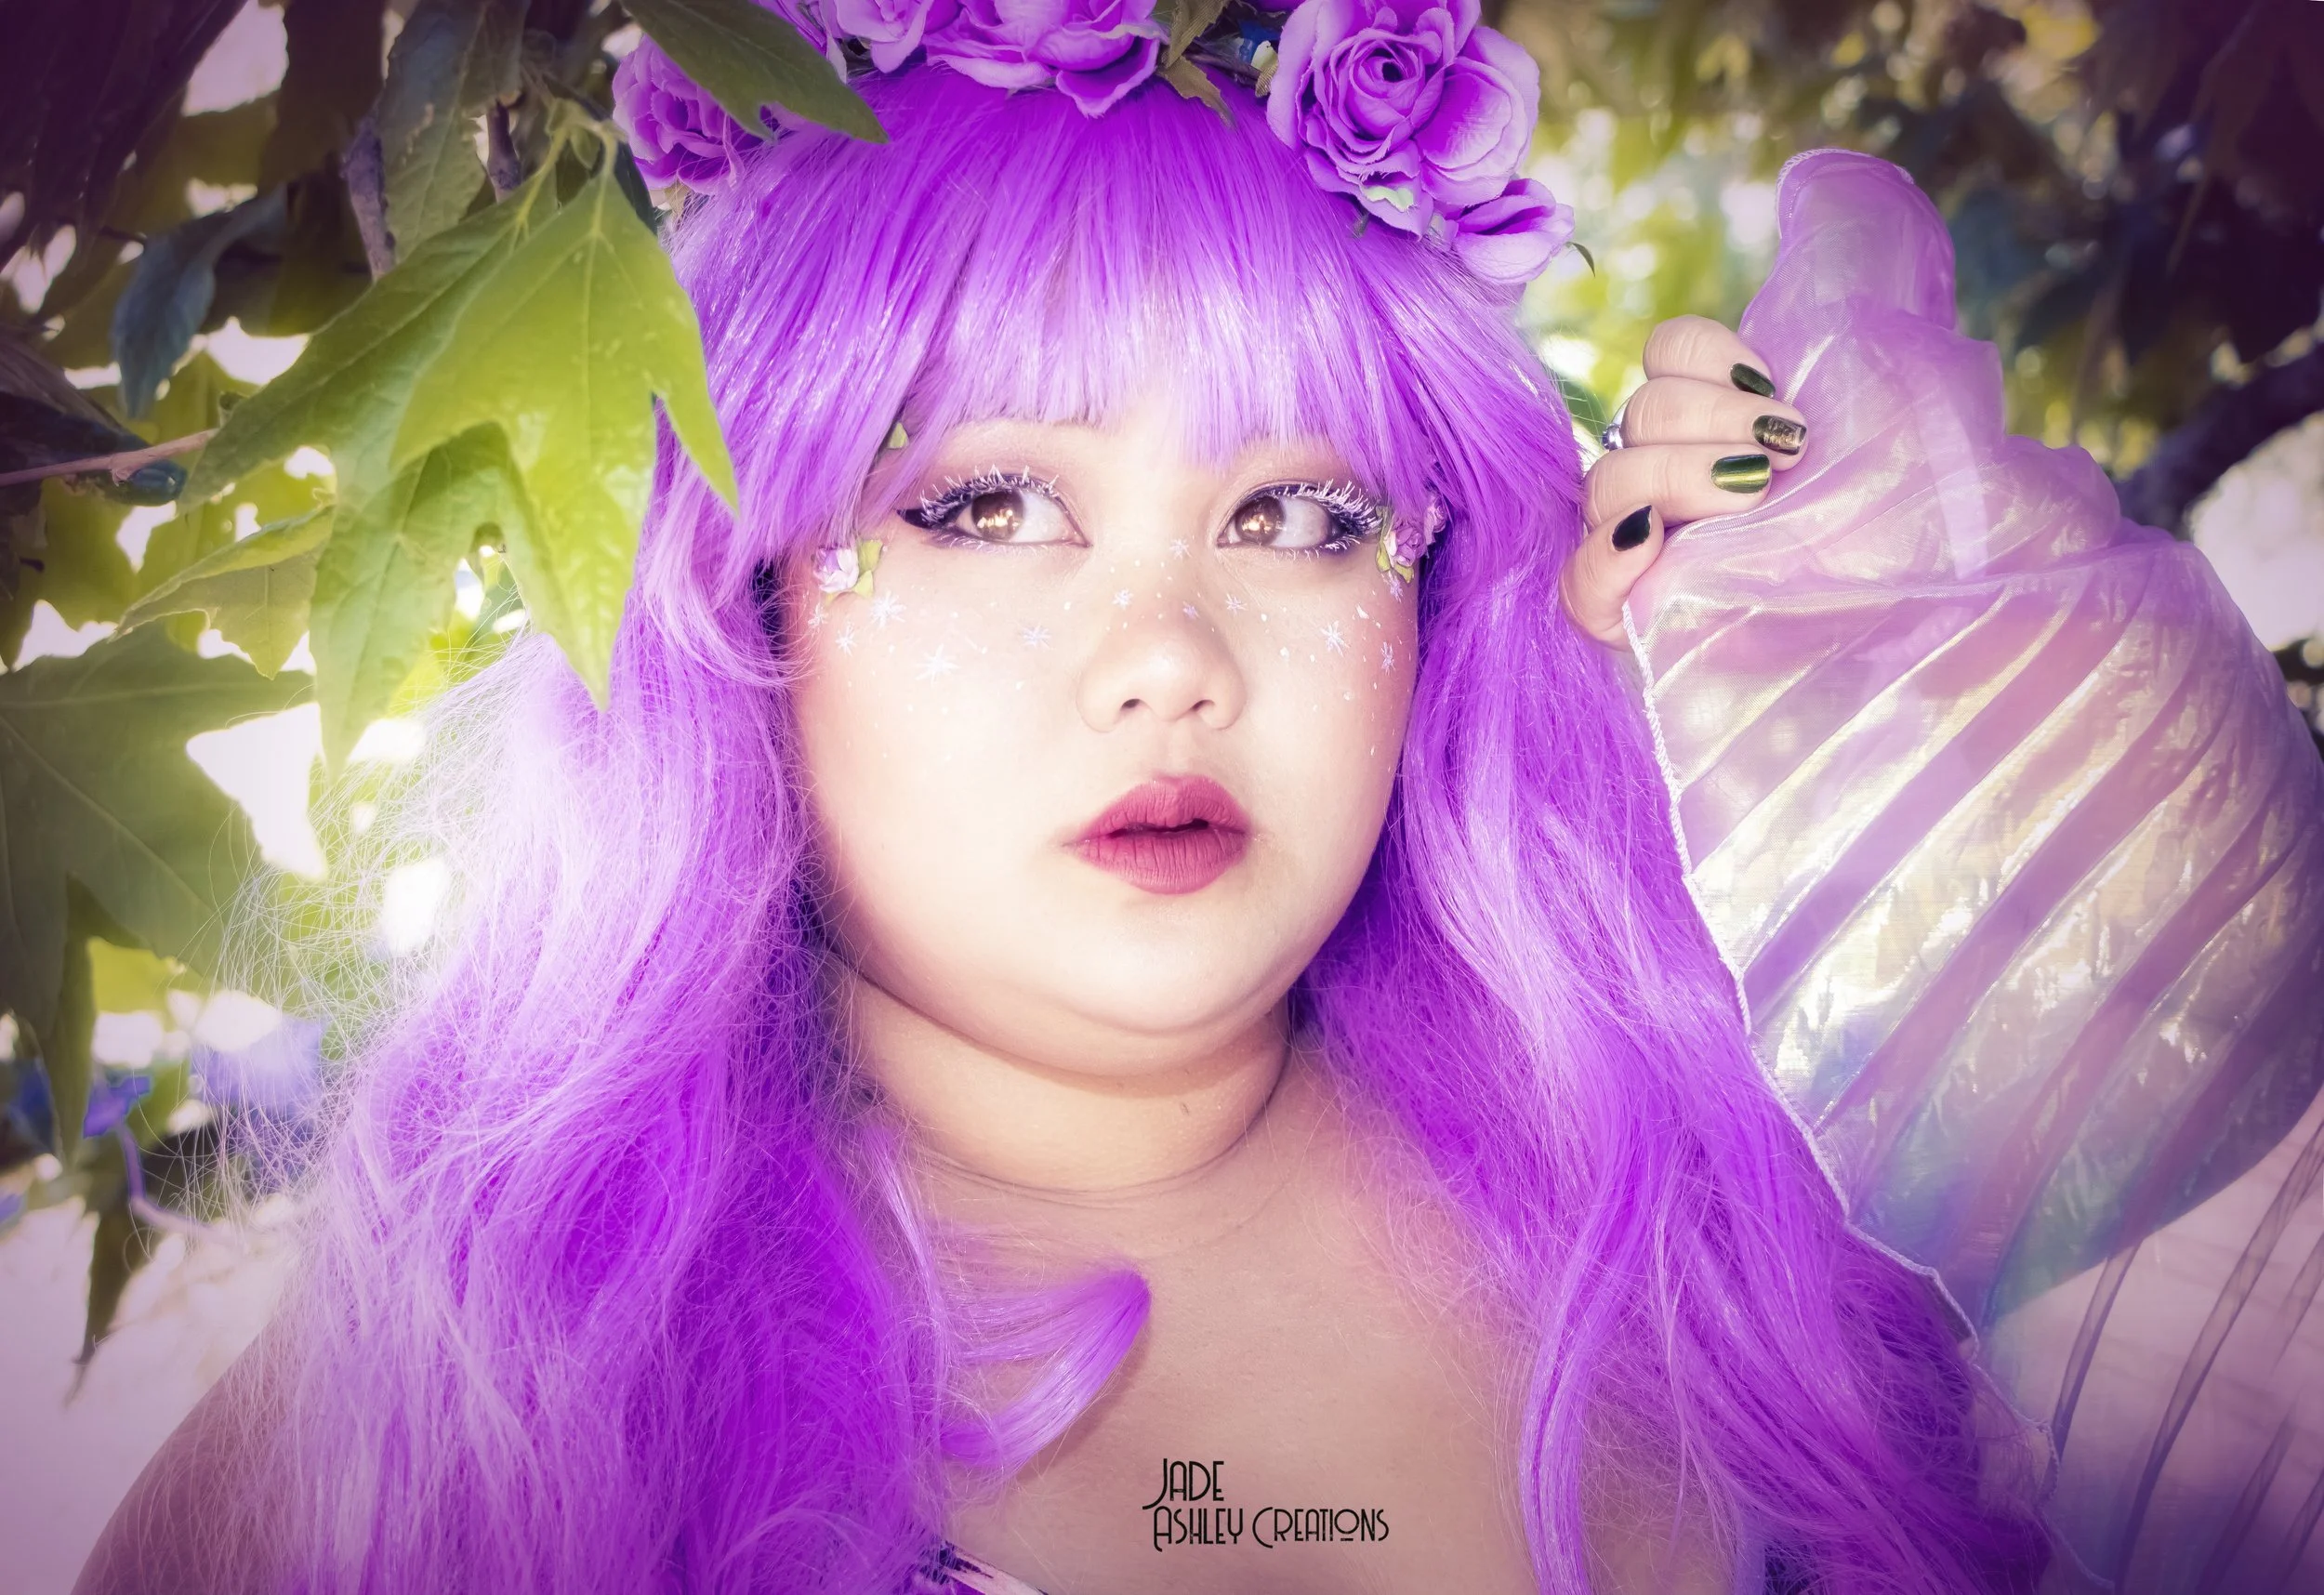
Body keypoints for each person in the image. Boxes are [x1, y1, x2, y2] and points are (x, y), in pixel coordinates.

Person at [75, 7, 2323, 1594]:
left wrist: (1979, 780)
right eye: (980, 504)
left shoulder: (1749, 1194)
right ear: (730, 600)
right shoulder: (435, 1430)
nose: (1170, 650)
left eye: (1299, 516)